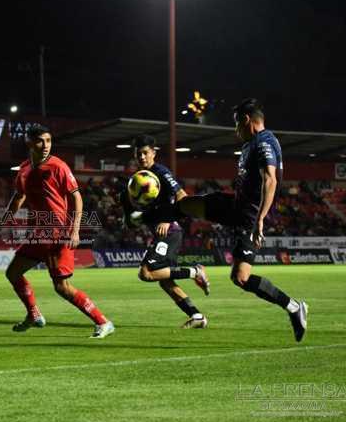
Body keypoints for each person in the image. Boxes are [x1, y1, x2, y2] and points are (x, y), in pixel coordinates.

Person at [167, 98, 308, 342]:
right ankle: (155, 215)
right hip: (236, 207)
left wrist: (260, 219)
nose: (235, 130)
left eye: (236, 124)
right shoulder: (251, 144)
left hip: (249, 218)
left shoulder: (264, 142)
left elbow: (270, 180)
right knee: (189, 204)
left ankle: (294, 307)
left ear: (246, 120)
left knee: (240, 278)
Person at [3, 124, 114, 338]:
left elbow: (76, 197)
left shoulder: (58, 166)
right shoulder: (24, 169)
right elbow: (18, 197)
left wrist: (75, 230)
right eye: (40, 141)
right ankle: (34, 315)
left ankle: (103, 322)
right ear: (30, 143)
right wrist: (3, 222)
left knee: (62, 287)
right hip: (39, 234)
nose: (46, 145)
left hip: (57, 233)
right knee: (13, 272)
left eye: (49, 140)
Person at [121, 134, 210, 329]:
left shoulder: (160, 172)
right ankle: (197, 316)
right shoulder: (135, 182)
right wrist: (132, 219)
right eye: (138, 154)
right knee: (165, 281)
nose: (142, 157)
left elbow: (182, 196)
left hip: (170, 231)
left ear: (153, 153)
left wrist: (168, 219)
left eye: (145, 153)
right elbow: (133, 219)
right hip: (159, 234)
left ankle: (195, 271)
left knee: (146, 273)